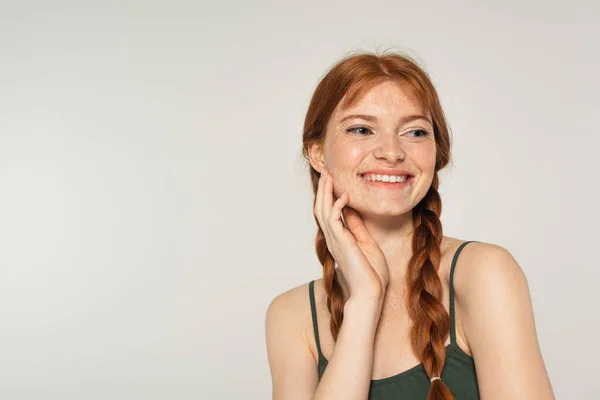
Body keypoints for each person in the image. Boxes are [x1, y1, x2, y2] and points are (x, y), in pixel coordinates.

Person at [265, 51, 555, 400]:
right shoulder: (291, 316)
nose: (391, 151)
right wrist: (365, 300)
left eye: (415, 132)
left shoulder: (483, 274)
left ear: (436, 153)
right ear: (316, 152)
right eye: (361, 129)